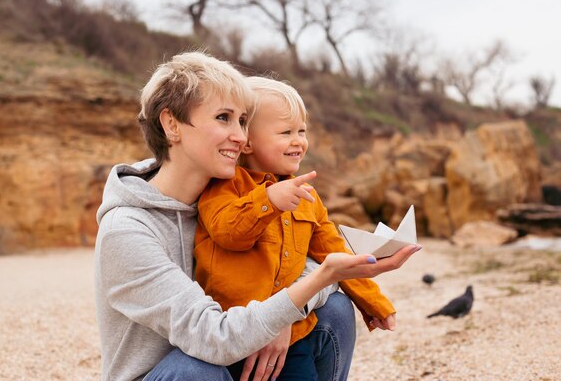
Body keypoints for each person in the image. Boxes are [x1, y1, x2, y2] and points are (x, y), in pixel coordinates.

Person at [94, 51, 421, 381]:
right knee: (195, 369)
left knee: (333, 311)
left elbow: (301, 259)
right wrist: (277, 315)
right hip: (187, 368)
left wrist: (283, 311)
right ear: (171, 124)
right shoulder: (126, 230)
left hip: (236, 359)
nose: (240, 136)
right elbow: (213, 339)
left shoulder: (242, 198)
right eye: (224, 118)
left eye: (243, 121)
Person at [194, 77, 398, 381]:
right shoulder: (225, 185)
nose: (298, 141)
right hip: (236, 333)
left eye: (301, 131)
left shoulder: (308, 196)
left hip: (292, 334)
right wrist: (268, 201)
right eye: (285, 132)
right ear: (247, 141)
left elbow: (334, 252)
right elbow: (228, 233)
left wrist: (374, 301)